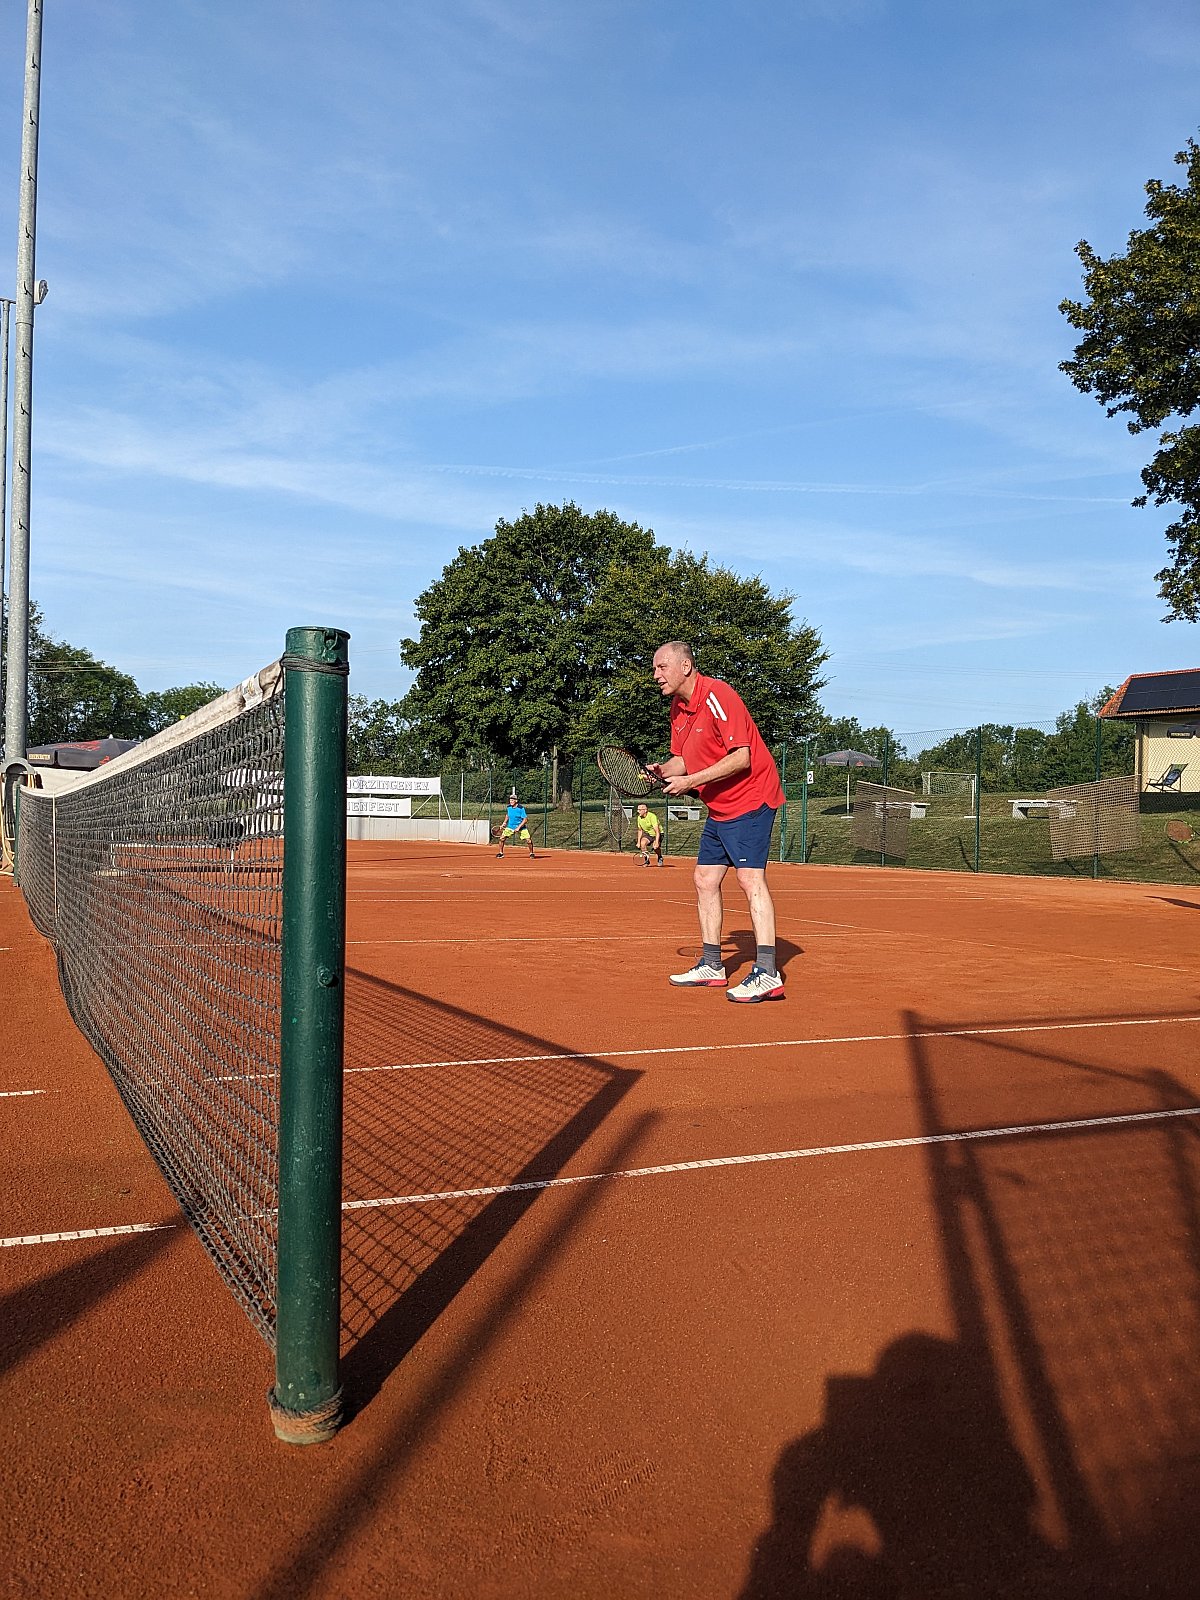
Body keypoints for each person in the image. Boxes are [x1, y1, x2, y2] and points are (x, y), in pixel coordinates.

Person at [648, 640, 785, 1002]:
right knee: (705, 878)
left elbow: (742, 757)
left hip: (752, 798)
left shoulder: (718, 695)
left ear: (685, 666)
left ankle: (768, 972)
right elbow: (683, 759)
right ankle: (712, 965)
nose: (656, 675)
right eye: (655, 668)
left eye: (662, 667)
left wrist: (690, 782)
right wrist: (664, 770)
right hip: (721, 806)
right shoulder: (677, 708)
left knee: (749, 878)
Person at [496, 793, 536, 859]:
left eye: (512, 800)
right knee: (501, 838)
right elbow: (507, 815)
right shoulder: (509, 807)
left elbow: (525, 820)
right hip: (510, 826)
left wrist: (518, 827)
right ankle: (501, 853)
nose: (511, 801)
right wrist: (504, 823)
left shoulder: (521, 808)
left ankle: (531, 853)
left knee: (529, 840)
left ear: (516, 801)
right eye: (510, 800)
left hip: (521, 827)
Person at [635, 801, 664, 867]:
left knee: (656, 847)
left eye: (640, 810)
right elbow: (640, 830)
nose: (638, 811)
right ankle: (646, 861)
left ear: (645, 810)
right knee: (642, 844)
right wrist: (638, 842)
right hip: (649, 834)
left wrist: (657, 842)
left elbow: (657, 831)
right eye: (638, 809)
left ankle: (660, 857)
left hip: (658, 833)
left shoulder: (652, 816)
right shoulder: (639, 818)